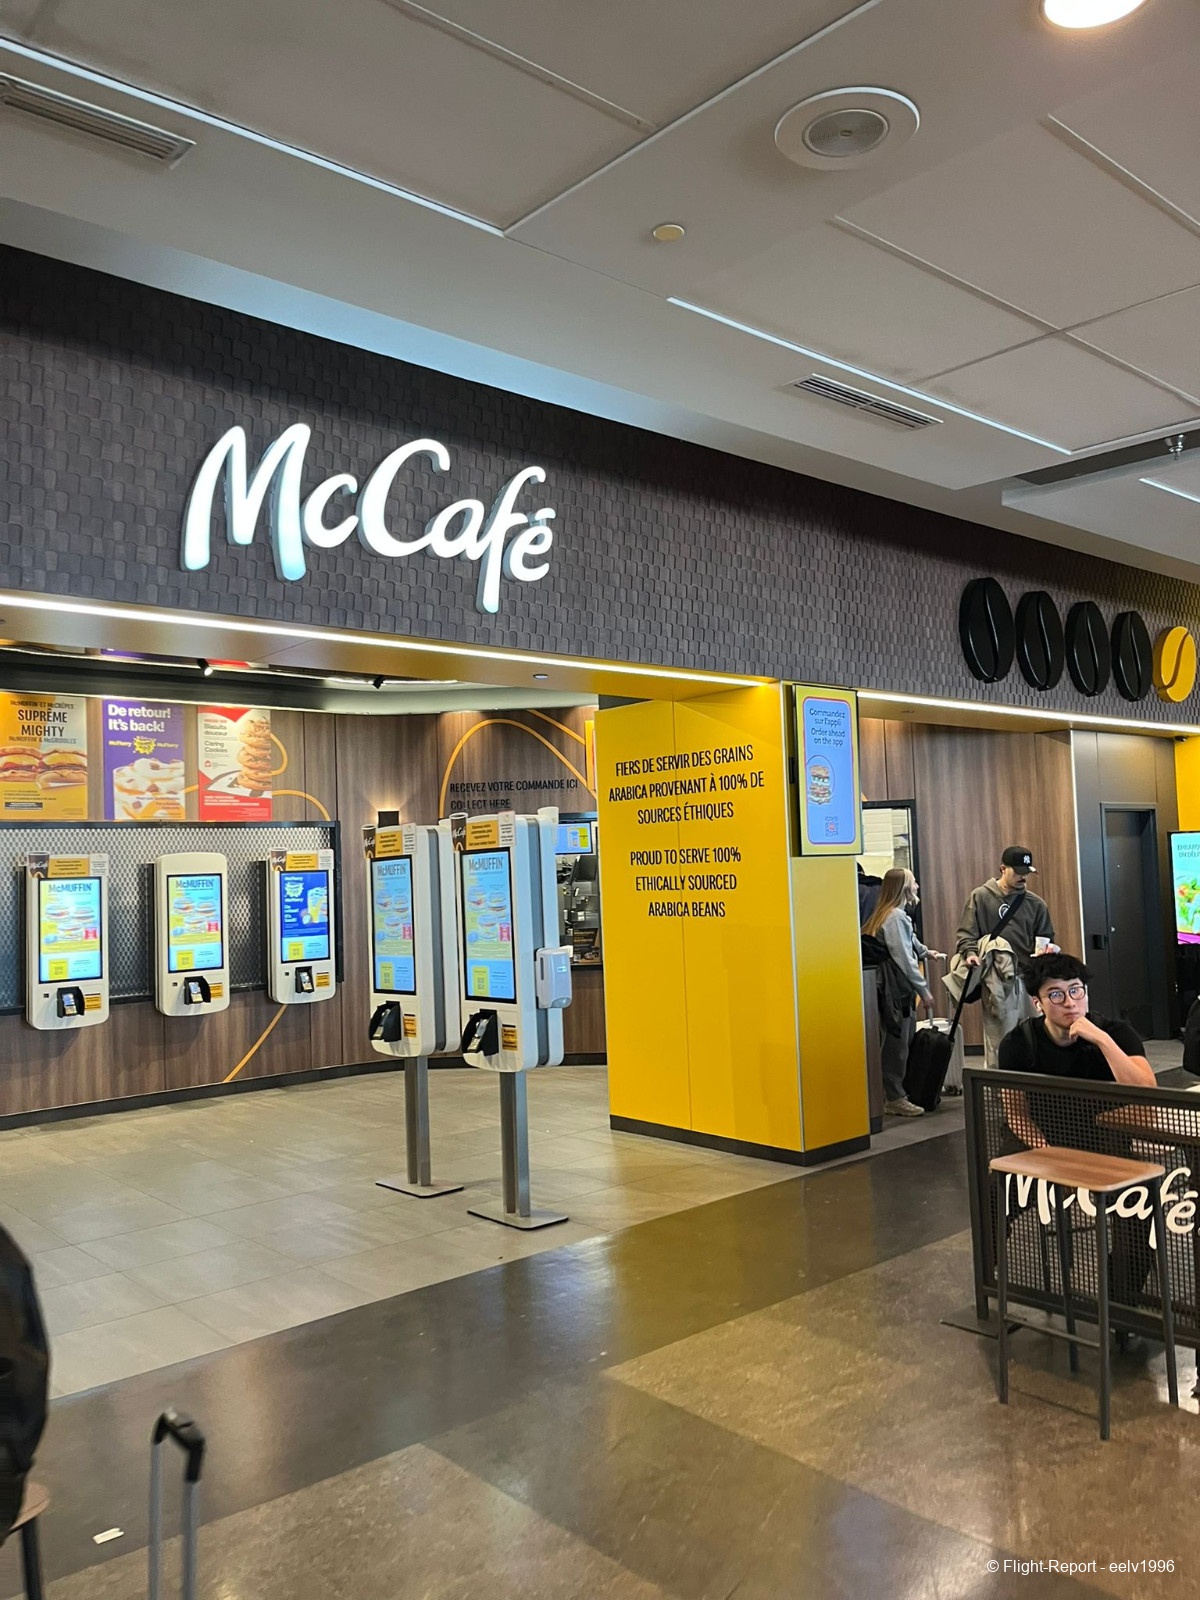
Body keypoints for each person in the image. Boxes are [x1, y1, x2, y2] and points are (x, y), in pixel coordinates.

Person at [996, 952, 1156, 1305]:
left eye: (1076, 990)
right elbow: (1017, 1115)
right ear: (1038, 1003)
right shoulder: (1018, 1044)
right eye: (1056, 994)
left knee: (1140, 1201)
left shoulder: (1116, 1033)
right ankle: (990, 1280)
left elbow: (1146, 1091)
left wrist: (1102, 1041)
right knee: (993, 1191)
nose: (1070, 1002)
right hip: (1038, 1141)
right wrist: (1052, 1158)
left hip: (1103, 1140)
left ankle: (1121, 1299)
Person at [862, 867, 945, 1117]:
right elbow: (904, 959)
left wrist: (925, 952)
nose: (917, 886)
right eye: (913, 882)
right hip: (896, 988)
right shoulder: (896, 917)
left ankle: (892, 1093)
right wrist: (924, 990)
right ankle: (895, 1097)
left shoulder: (889, 914)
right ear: (904, 888)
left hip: (891, 987)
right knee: (898, 1043)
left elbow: (909, 943)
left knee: (896, 1040)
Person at [956, 846, 1056, 970]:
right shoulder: (980, 897)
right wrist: (970, 954)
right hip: (989, 972)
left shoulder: (1036, 904)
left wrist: (1046, 952)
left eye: (1026, 872)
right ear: (1003, 869)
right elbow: (967, 934)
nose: (1023, 877)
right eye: (1018, 872)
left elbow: (1046, 938)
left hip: (1023, 973)